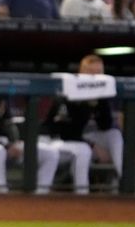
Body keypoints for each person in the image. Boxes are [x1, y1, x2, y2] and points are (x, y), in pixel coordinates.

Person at [0, 48, 60, 193]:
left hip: (3, 142)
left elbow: (8, 123)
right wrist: (4, 143)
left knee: (50, 153)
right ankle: (1, 193)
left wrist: (14, 142)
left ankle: (40, 194)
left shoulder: (1, 90)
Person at [40, 54, 123, 194]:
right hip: (55, 142)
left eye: (99, 74)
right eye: (91, 73)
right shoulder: (67, 89)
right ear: (81, 72)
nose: (95, 78)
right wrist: (92, 145)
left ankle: (125, 182)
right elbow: (66, 132)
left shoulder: (100, 91)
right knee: (83, 149)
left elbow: (105, 125)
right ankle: (82, 194)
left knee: (114, 134)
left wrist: (100, 101)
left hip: (81, 140)